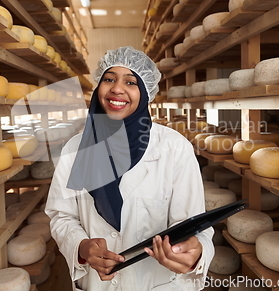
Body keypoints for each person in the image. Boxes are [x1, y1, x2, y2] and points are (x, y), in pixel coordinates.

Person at [45, 46, 214, 290]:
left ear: (145, 93)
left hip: (158, 281)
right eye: (109, 79)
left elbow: (195, 225)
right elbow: (61, 216)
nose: (117, 88)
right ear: (98, 87)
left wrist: (195, 252)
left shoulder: (174, 147)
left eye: (131, 82)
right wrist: (81, 247)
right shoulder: (74, 148)